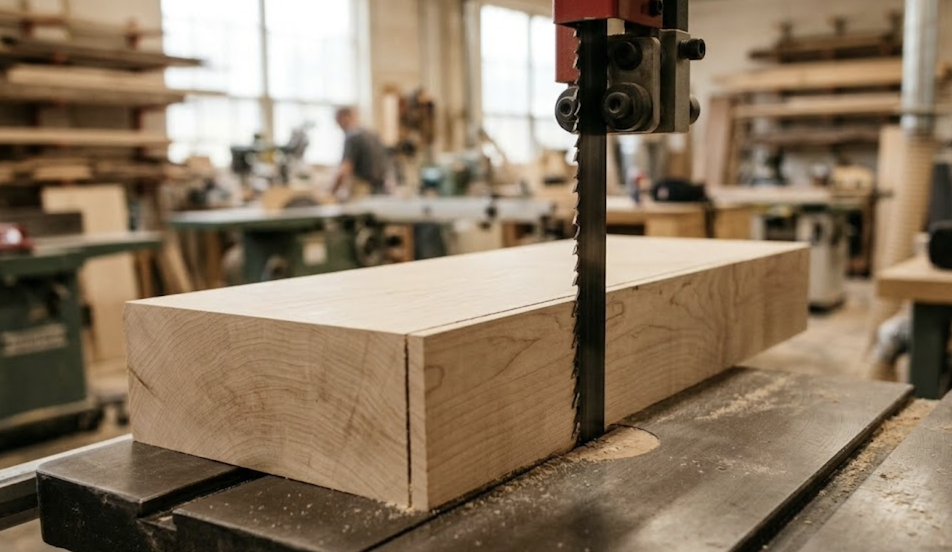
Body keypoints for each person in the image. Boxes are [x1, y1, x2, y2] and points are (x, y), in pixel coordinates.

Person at [331, 107, 390, 199]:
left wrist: (332, 191)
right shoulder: (373, 134)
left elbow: (345, 168)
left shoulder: (352, 136)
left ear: (343, 118)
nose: (339, 126)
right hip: (380, 188)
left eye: (338, 122)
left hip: (362, 188)